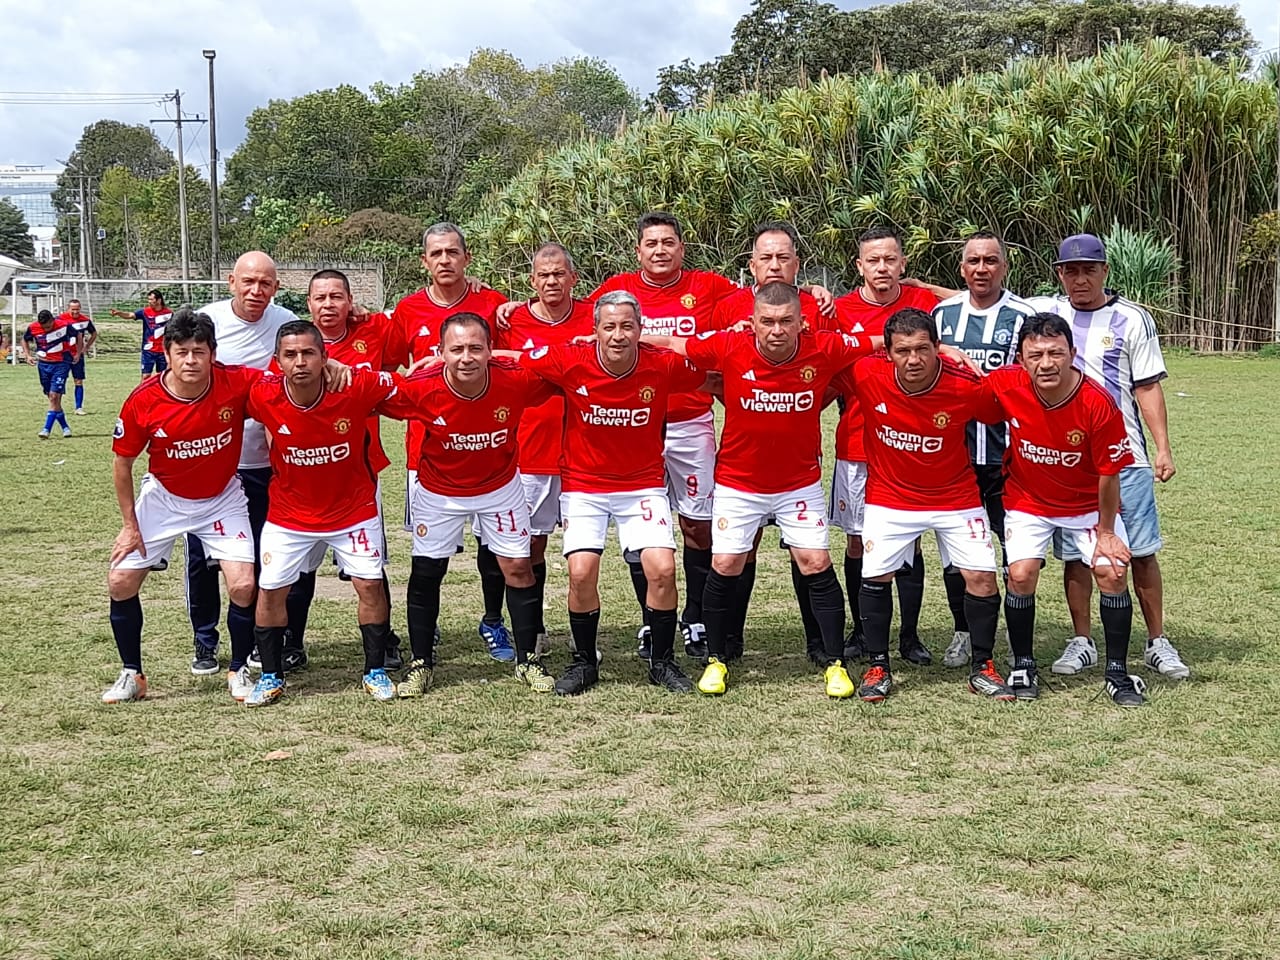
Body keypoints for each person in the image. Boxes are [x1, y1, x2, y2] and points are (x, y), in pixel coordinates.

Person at [644, 281, 874, 698]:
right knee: (728, 563)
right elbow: (677, 343)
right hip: (738, 483)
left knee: (815, 562)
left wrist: (942, 346)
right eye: (767, 322)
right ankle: (717, 659)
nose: (776, 330)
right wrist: (631, 333)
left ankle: (835, 663)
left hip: (798, 483)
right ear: (752, 324)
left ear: (802, 323)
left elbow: (880, 340)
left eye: (786, 321)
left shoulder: (824, 348)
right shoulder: (730, 345)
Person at [514, 290, 710, 695]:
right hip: (584, 487)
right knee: (581, 572)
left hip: (642, 485)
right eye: (609, 327)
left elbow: (711, 365)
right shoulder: (570, 360)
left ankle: (663, 662)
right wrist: (444, 360)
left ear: (640, 330)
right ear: (595, 330)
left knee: (662, 569)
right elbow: (513, 359)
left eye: (627, 327)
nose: (618, 335)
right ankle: (585, 662)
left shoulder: (662, 365)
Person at [581, 212, 741, 660]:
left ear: (681, 248)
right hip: (632, 425)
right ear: (638, 251)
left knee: (696, 524)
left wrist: (814, 293)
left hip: (691, 425)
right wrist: (508, 307)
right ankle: (651, 623)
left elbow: (767, 297)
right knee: (642, 530)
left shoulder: (710, 287)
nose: (659, 250)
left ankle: (694, 617)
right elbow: (573, 319)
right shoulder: (617, 290)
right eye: (651, 243)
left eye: (668, 242)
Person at [1030, 234, 1188, 680]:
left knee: (1139, 551)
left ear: (1105, 271)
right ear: (1059, 273)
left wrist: (1162, 448)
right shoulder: (1048, 313)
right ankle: (1082, 640)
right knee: (1079, 555)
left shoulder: (1132, 318)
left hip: (1126, 459)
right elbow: (984, 295)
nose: (1079, 279)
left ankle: (1158, 641)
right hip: (1069, 461)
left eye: (1088, 270)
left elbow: (1147, 386)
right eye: (1070, 270)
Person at [382, 313, 558, 696]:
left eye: (476, 348)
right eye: (456, 349)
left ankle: (528, 659)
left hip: (500, 487)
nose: (466, 358)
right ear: (440, 352)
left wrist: (516, 355)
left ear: (490, 351)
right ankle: (421, 664)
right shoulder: (421, 388)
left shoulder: (515, 380)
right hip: (438, 492)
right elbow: (371, 393)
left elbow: (561, 366)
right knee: (428, 572)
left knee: (518, 567)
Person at [982, 312, 1146, 706]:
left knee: (1112, 572)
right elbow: (964, 396)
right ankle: (1023, 664)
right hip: (1028, 501)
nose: (1046, 363)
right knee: (1020, 575)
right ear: (1020, 359)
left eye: (1056, 353)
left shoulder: (1097, 402)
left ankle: (1118, 673)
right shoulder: (1005, 384)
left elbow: (1109, 474)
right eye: (1035, 354)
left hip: (1088, 506)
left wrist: (1106, 532)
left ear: (1073, 353)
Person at [851, 308, 1011, 703]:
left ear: (938, 348)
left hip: (955, 496)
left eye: (923, 348)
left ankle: (983, 667)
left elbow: (1001, 407)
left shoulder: (964, 385)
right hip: (890, 497)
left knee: (982, 579)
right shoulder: (866, 374)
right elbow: (824, 356)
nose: (914, 359)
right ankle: (878, 665)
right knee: (875, 577)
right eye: (903, 350)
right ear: (887, 353)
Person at [103, 308, 260, 703]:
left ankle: (238, 669)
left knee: (243, 585)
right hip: (164, 498)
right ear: (166, 353)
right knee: (120, 581)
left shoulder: (237, 382)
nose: (191, 360)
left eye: (199, 351)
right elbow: (122, 463)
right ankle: (131, 674)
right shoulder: (144, 400)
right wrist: (129, 525)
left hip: (222, 498)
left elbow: (288, 383)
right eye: (182, 351)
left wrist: (333, 365)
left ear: (213, 353)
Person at [242, 321, 401, 707]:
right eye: (291, 355)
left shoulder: (354, 386)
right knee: (271, 590)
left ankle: (375, 669)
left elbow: (406, 385)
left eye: (308, 353)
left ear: (325, 357)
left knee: (369, 585)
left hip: (353, 510)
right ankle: (271, 675)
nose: (300, 362)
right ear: (277, 361)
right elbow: (217, 386)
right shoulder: (262, 394)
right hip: (289, 514)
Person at [386, 222, 515, 662]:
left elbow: (513, 357)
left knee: (492, 548)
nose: (445, 260)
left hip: (489, 451)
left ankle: (493, 621)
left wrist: (517, 305)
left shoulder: (491, 303)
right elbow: (390, 372)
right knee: (430, 558)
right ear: (424, 261)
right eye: (436, 253)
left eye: (452, 252)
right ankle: (429, 629)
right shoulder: (407, 310)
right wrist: (418, 369)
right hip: (428, 454)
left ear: (467, 258)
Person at [708, 221, 831, 662]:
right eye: (766, 258)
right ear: (752, 264)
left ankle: (818, 642)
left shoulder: (817, 305)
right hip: (745, 460)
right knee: (741, 548)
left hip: (798, 459)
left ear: (797, 263)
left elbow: (836, 364)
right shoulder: (726, 308)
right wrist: (742, 397)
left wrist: (805, 400)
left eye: (784, 257)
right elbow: (707, 364)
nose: (775, 265)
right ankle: (731, 640)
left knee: (808, 552)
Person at [277, 269, 408, 669]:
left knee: (370, 565)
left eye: (338, 297)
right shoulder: (294, 345)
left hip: (359, 474)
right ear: (309, 303)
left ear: (351, 302)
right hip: (303, 478)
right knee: (301, 567)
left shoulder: (373, 334)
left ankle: (384, 641)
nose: (329, 305)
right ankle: (292, 642)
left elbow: (411, 329)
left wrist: (372, 318)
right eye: (321, 298)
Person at [186, 252, 308, 677]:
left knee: (267, 555)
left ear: (276, 287)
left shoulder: (284, 320)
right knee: (205, 559)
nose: (257, 291)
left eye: (266, 284)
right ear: (231, 281)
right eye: (249, 282)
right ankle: (205, 640)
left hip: (268, 463)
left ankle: (268, 640)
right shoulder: (208, 320)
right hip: (215, 462)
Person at [831, 227, 947, 667]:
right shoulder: (840, 310)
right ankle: (862, 631)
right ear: (859, 266)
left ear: (902, 263)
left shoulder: (924, 306)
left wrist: (926, 287)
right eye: (872, 261)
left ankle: (911, 635)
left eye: (890, 260)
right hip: (858, 442)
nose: (882, 268)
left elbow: (978, 299)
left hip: (911, 445)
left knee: (909, 545)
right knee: (859, 543)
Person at [932, 231, 1036, 668]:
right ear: (962, 268)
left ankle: (1014, 639)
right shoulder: (941, 315)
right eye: (973, 261)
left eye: (990, 261)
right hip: (954, 458)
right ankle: (963, 631)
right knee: (958, 555)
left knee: (1016, 556)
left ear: (1004, 267)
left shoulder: (1023, 315)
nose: (981, 269)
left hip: (1008, 459)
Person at [494, 242, 596, 655]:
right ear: (532, 281)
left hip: (586, 454)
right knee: (530, 545)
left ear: (573, 278)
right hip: (532, 453)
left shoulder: (594, 316)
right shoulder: (511, 319)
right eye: (543, 275)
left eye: (559, 274)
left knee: (583, 552)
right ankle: (532, 630)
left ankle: (582, 631)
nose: (552, 281)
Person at [23, 308, 78, 438]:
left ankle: (46, 429)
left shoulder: (64, 325)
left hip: (61, 364)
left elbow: (78, 335)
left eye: (49, 326)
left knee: (54, 397)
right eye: (44, 327)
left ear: (53, 320)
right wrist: (27, 355)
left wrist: (78, 352)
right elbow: (25, 339)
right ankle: (65, 427)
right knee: (53, 399)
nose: (47, 329)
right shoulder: (33, 327)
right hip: (43, 365)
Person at [111, 289, 173, 379]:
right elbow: (130, 315)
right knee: (146, 376)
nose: (149, 302)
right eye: (149, 299)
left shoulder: (169, 314)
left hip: (163, 350)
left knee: (162, 377)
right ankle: (143, 392)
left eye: (152, 299)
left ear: (159, 300)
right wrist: (119, 313)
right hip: (148, 349)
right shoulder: (145, 312)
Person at [58, 299, 97, 414]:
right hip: (63, 355)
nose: (75, 312)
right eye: (73, 309)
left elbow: (94, 334)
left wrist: (86, 348)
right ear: (68, 308)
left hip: (78, 354)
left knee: (78, 381)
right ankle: (57, 406)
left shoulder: (85, 320)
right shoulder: (60, 319)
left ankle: (78, 407)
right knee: (60, 380)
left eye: (77, 309)